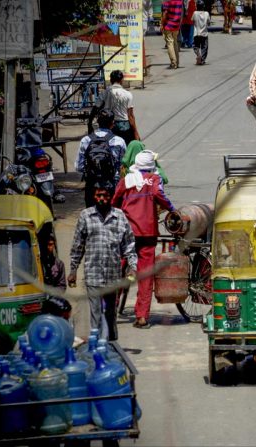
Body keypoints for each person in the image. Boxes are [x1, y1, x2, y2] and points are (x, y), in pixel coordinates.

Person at [112, 150, 176, 329]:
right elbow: (159, 195)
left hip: (126, 234)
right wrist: (171, 208)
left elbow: (114, 202)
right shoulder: (154, 179)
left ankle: (109, 310)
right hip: (147, 233)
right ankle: (141, 317)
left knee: (119, 270)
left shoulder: (126, 180)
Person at [68, 183, 138, 341]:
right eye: (99, 195)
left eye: (105, 196)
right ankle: (98, 346)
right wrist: (73, 270)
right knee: (96, 313)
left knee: (110, 312)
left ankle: (111, 344)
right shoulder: (86, 216)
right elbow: (78, 245)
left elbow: (129, 245)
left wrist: (132, 267)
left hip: (112, 275)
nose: (101, 199)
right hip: (93, 274)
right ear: (94, 196)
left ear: (110, 197)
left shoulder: (119, 216)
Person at [76, 110, 127, 207]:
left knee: (91, 216)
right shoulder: (119, 141)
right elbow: (122, 166)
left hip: (92, 186)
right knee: (113, 216)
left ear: (98, 123)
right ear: (112, 124)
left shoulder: (85, 140)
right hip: (112, 185)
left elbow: (79, 167)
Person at [89, 70, 140, 145]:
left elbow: (95, 108)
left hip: (109, 126)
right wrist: (136, 132)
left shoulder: (105, 92)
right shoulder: (128, 94)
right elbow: (130, 116)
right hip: (124, 127)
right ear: (122, 80)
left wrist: (90, 122)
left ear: (110, 80)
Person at [161, 0, 184, 68]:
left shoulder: (167, 2)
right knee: (175, 43)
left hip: (168, 25)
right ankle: (177, 62)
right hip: (176, 26)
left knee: (170, 43)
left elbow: (165, 14)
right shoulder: (180, 2)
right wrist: (179, 24)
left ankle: (174, 63)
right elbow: (181, 14)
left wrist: (162, 24)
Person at [192, 0, 210, 65]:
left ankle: (198, 54)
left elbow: (192, 21)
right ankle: (202, 60)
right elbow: (208, 23)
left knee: (195, 46)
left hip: (196, 33)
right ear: (203, 6)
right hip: (204, 34)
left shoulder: (194, 13)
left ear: (196, 6)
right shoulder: (207, 13)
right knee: (204, 47)